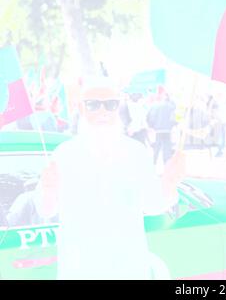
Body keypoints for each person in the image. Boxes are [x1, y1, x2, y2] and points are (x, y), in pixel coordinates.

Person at [35, 76, 185, 279]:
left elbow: (152, 205)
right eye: (93, 105)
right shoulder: (64, 154)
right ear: (81, 108)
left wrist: (168, 182)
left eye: (110, 105)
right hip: (80, 268)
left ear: (118, 108)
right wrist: (49, 191)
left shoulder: (136, 152)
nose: (102, 112)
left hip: (127, 266)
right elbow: (46, 210)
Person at [147, 92, 177, 165]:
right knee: (167, 148)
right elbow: (175, 118)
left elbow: (150, 117)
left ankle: (153, 164)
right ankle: (166, 166)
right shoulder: (171, 106)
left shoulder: (154, 106)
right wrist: (173, 125)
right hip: (168, 130)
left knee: (156, 148)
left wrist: (151, 126)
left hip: (157, 130)